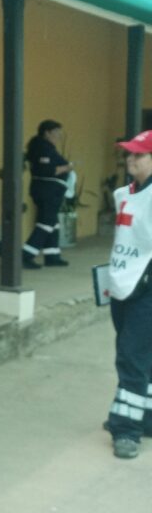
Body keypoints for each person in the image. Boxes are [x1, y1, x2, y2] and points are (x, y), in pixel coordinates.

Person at [102, 130, 152, 459]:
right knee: (139, 355)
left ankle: (126, 430)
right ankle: (144, 417)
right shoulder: (124, 193)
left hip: (146, 290)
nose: (130, 159)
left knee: (131, 357)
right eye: (129, 153)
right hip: (122, 286)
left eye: (139, 154)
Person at [22, 120, 74, 269]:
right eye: (56, 132)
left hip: (48, 190)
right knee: (46, 223)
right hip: (48, 191)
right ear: (47, 133)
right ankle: (25, 255)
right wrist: (67, 168)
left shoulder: (44, 147)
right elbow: (47, 170)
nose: (59, 135)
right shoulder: (43, 148)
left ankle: (52, 256)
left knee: (52, 222)